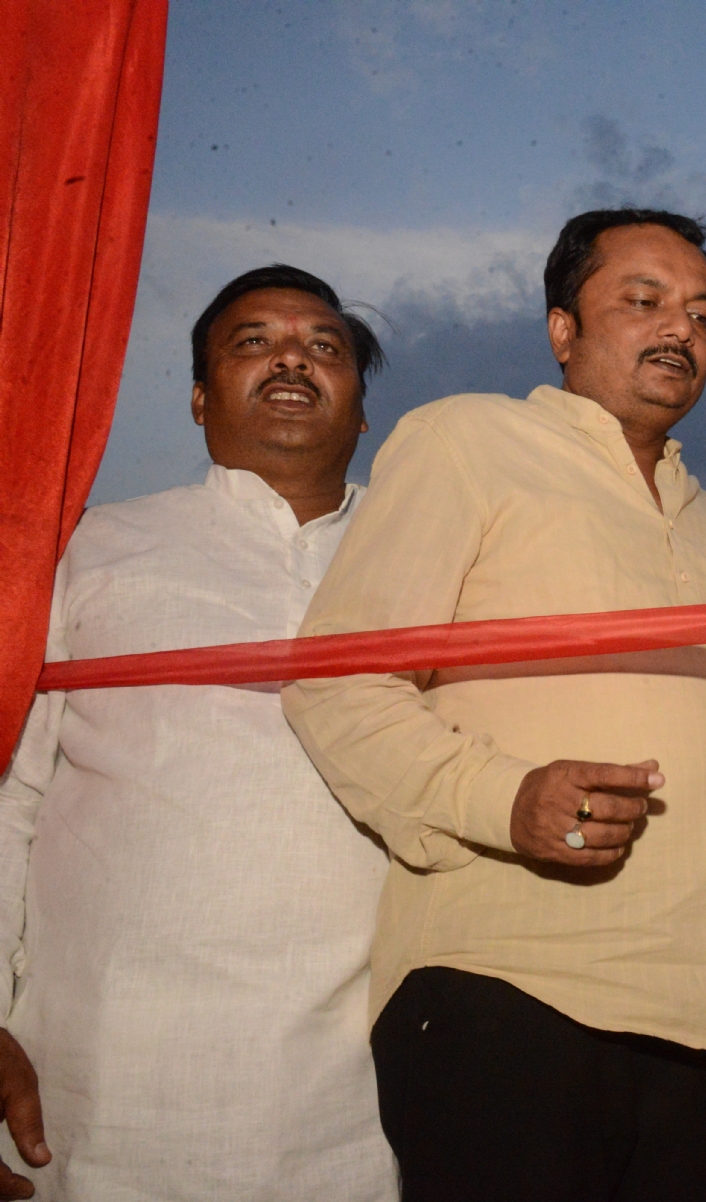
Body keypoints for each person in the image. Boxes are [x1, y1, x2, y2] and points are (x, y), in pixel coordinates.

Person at [282, 209, 706, 1202]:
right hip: (509, 992)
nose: (680, 329)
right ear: (562, 329)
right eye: (643, 300)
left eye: (701, 313)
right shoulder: (469, 439)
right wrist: (504, 800)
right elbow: (338, 682)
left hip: (703, 1026)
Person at [0, 265, 396, 1199]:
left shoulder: (426, 558)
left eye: (325, 347)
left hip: (362, 1100)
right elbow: (12, 797)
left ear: (362, 415)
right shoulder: (89, 547)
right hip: (106, 1082)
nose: (292, 358)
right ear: (196, 399)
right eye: (253, 342)